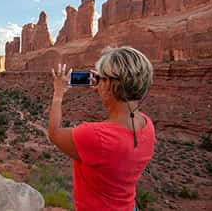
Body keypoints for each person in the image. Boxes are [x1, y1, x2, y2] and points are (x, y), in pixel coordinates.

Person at [48, 46, 156, 211]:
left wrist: (58, 93)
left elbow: (54, 133)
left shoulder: (95, 136)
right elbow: (121, 112)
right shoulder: (147, 126)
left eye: (102, 78)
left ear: (110, 86)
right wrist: (105, 87)